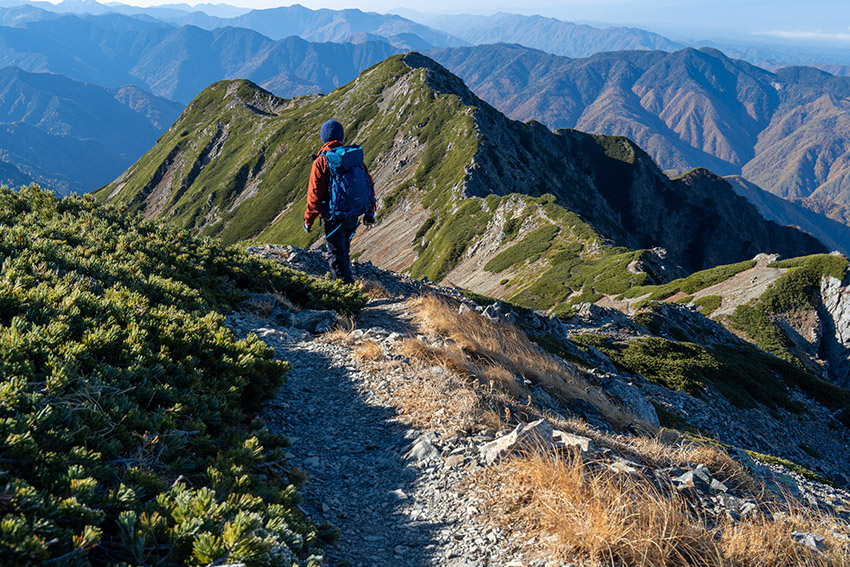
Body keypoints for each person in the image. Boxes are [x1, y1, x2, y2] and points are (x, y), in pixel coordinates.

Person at [303, 119, 376, 284]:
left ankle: (346, 293)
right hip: (354, 212)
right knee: (343, 251)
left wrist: (308, 221)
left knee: (335, 254)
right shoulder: (353, 158)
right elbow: (368, 184)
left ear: (324, 138)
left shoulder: (321, 161)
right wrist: (370, 212)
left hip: (334, 216)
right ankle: (348, 285)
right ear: (340, 137)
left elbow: (314, 196)